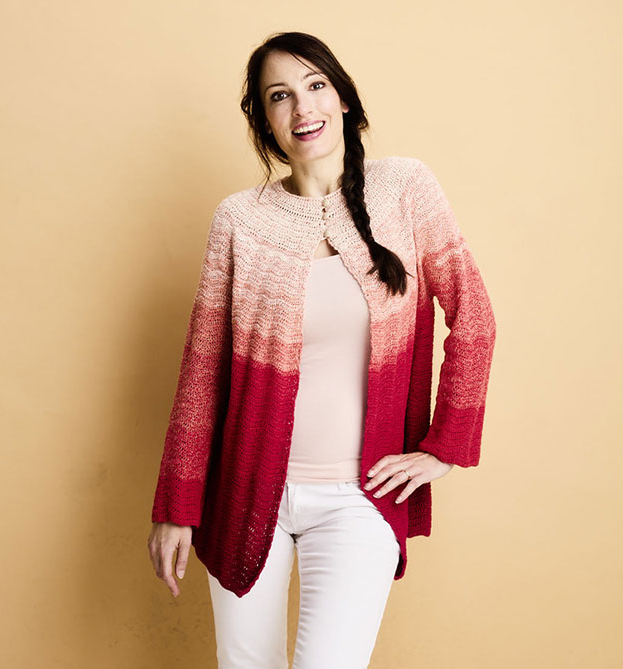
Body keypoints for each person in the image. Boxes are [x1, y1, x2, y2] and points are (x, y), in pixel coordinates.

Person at [147, 31, 496, 669]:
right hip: (248, 491)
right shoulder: (240, 220)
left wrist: (443, 447)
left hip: (360, 496)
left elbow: (474, 317)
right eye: (279, 96)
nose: (302, 107)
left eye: (315, 86)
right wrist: (177, 507)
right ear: (264, 121)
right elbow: (202, 374)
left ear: (343, 99)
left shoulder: (405, 189)